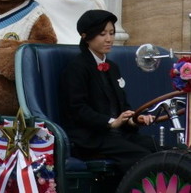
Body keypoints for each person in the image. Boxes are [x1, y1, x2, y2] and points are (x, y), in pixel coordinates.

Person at [59, 10, 157, 173]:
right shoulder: (76, 68)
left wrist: (133, 119)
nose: (109, 39)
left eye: (111, 33)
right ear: (86, 36)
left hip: (117, 135)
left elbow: (122, 105)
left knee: (163, 150)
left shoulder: (112, 67)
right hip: (91, 138)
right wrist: (111, 122)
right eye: (102, 34)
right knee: (143, 158)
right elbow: (77, 110)